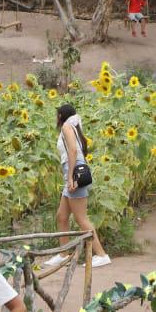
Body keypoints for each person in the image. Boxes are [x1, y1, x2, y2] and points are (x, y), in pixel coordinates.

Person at [51, 103, 112, 269]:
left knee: (81, 218)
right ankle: (64, 254)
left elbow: (72, 151)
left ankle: (101, 254)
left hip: (73, 172)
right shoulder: (74, 126)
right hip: (72, 171)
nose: (56, 118)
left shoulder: (66, 126)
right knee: (61, 216)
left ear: (61, 115)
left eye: (57, 114)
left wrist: (70, 176)